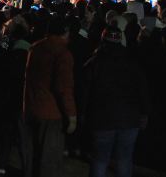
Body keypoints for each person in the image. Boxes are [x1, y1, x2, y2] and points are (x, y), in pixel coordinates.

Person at [80, 26, 150, 177]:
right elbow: (143, 90)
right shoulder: (132, 62)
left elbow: (84, 91)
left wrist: (82, 114)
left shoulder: (94, 62)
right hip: (130, 118)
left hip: (102, 119)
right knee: (124, 159)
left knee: (100, 159)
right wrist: (144, 113)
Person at [22, 14, 76, 177]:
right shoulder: (62, 53)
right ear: (66, 32)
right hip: (51, 112)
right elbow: (64, 87)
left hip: (31, 107)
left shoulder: (35, 47)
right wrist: (72, 115)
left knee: (33, 155)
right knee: (49, 160)